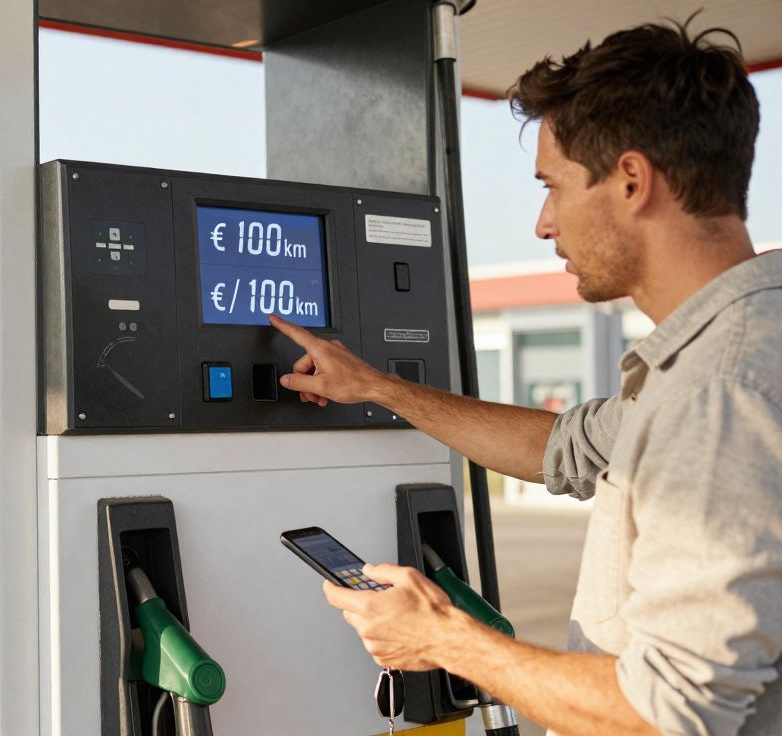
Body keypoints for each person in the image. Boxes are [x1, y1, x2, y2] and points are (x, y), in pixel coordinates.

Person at [270, 17, 782, 736]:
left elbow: (669, 712)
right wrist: (378, 387)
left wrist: (443, 639)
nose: (544, 223)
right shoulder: (732, 349)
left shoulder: (720, 390)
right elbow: (559, 448)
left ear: (632, 180)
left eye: (554, 186)